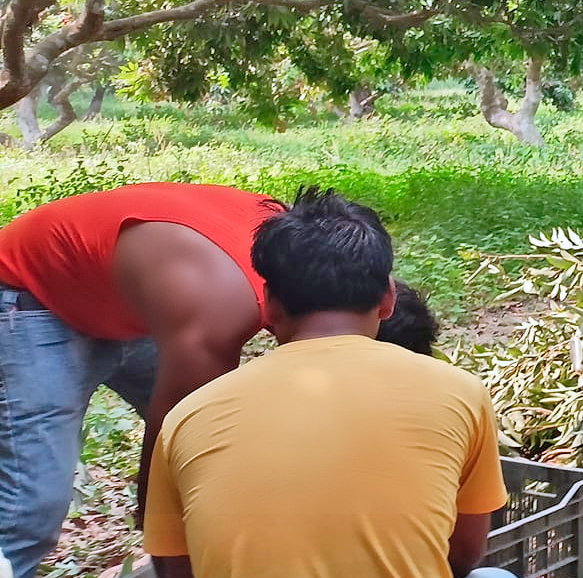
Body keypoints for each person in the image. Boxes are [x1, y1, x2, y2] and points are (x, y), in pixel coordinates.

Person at [0, 182, 437, 578]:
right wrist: (173, 549)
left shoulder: (308, 251)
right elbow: (171, 441)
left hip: (129, 291)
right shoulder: (218, 317)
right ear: (383, 301)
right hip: (31, 293)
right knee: (30, 507)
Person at [141, 187, 512, 578]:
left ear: (268, 304)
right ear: (387, 300)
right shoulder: (461, 393)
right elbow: (464, 553)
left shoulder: (187, 416)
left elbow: (175, 567)